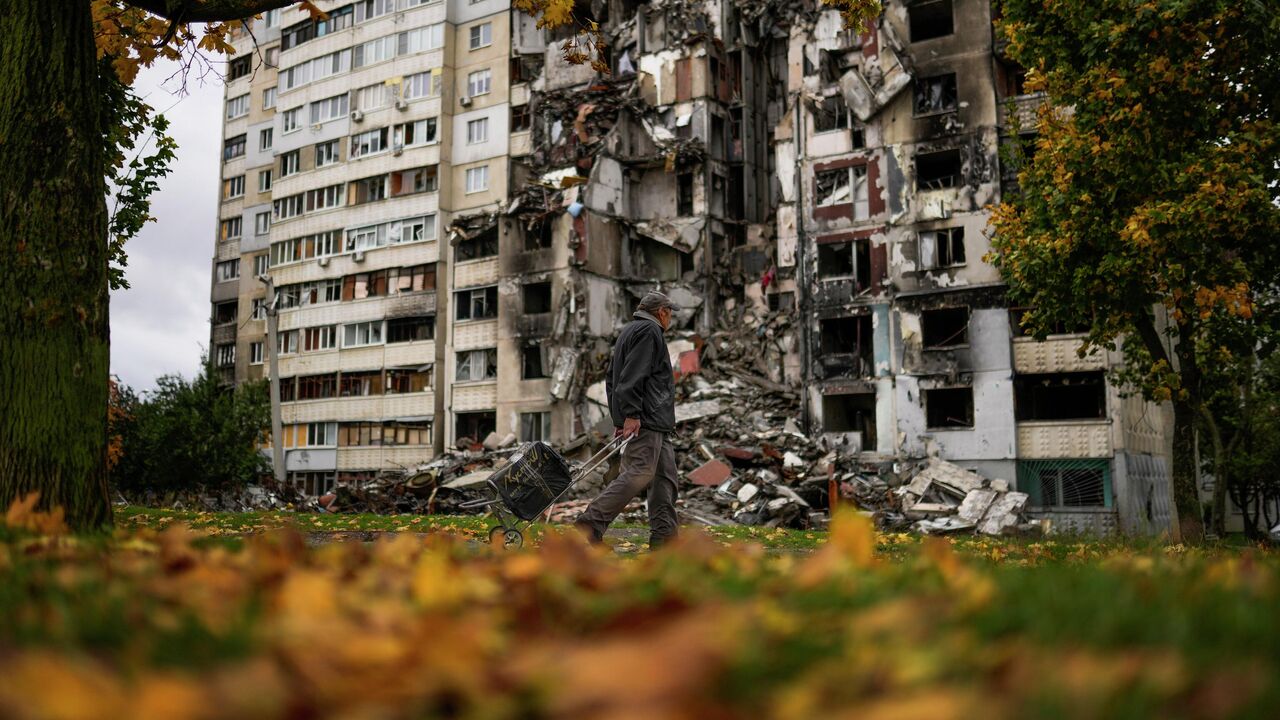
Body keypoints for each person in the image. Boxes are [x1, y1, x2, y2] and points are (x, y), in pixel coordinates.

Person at [575, 290, 680, 548]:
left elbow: (613, 379)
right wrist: (630, 415)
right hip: (647, 418)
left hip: (654, 422)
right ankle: (589, 524)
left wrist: (620, 419)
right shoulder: (649, 332)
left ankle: (665, 539)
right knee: (639, 473)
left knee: (664, 478)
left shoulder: (630, 331)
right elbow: (631, 378)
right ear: (662, 312)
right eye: (670, 313)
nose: (671, 319)